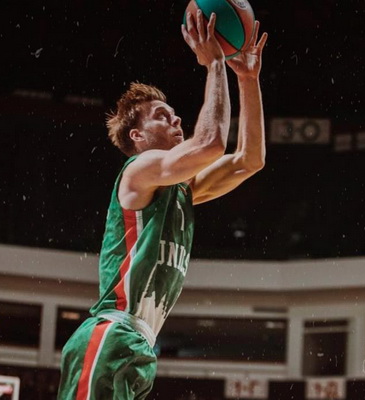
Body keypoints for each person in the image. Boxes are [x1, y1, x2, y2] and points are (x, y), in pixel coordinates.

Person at [58, 10, 268, 400]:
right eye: (161, 116)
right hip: (111, 334)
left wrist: (248, 79)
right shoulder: (138, 171)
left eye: (173, 113)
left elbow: (248, 160)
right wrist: (214, 65)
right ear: (137, 136)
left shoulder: (183, 189)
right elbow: (211, 143)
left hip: (140, 346)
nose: (175, 118)